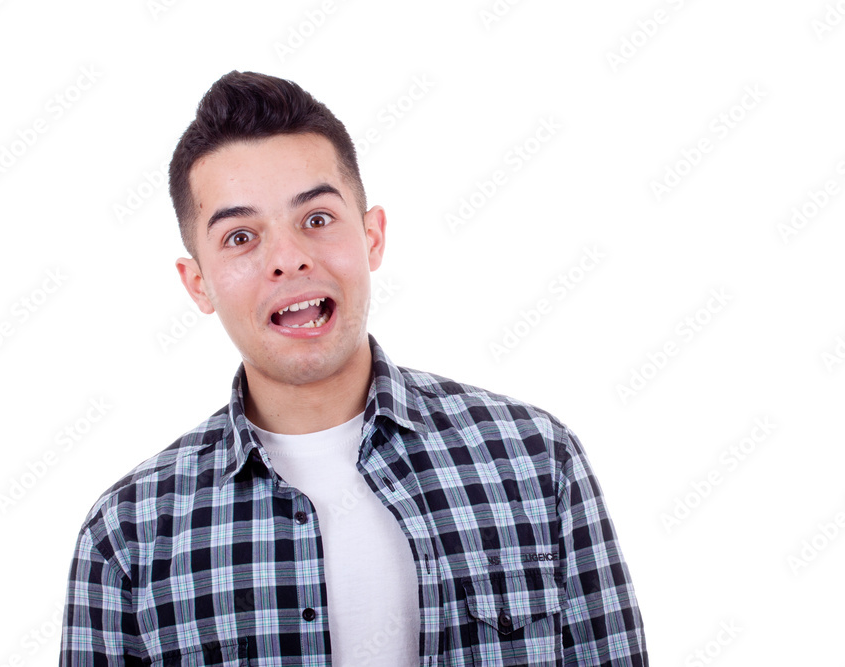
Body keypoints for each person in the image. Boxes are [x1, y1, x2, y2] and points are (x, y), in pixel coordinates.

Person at [60, 71, 648, 666]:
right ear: (198, 284)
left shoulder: (537, 460)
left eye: (316, 219)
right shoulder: (127, 535)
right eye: (240, 237)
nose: (288, 259)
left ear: (372, 237)